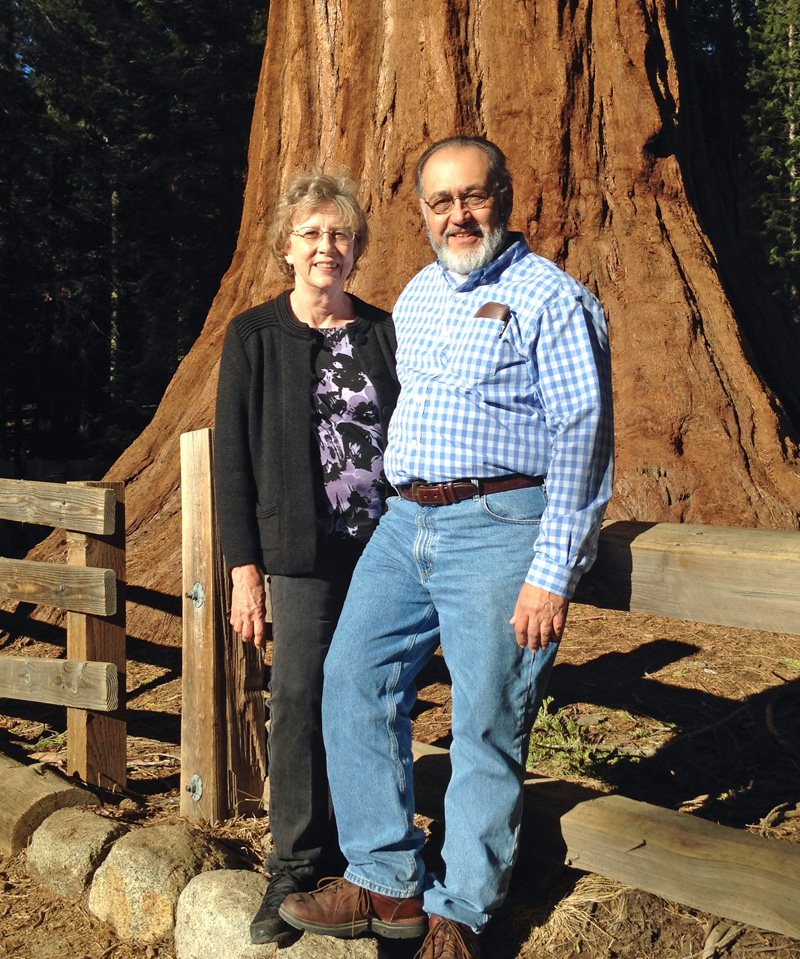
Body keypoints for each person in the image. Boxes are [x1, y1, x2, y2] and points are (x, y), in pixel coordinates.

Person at [278, 136, 614, 958]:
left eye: (473, 196)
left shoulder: (551, 296)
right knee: (353, 678)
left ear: (504, 195)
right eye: (440, 201)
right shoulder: (421, 293)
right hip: (406, 523)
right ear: (423, 213)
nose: (457, 214)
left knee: (487, 720)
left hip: (503, 527)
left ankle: (460, 907)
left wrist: (552, 569)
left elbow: (583, 437)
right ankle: (385, 881)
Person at [213, 169, 399, 945]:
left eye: (340, 234)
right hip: (297, 550)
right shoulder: (255, 335)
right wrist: (243, 567)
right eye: (312, 233)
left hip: (386, 544)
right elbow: (233, 462)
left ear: (356, 247)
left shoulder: (385, 331)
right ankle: (294, 861)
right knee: (295, 694)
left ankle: (377, 867)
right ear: (286, 247)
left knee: (375, 695)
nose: (327, 246)